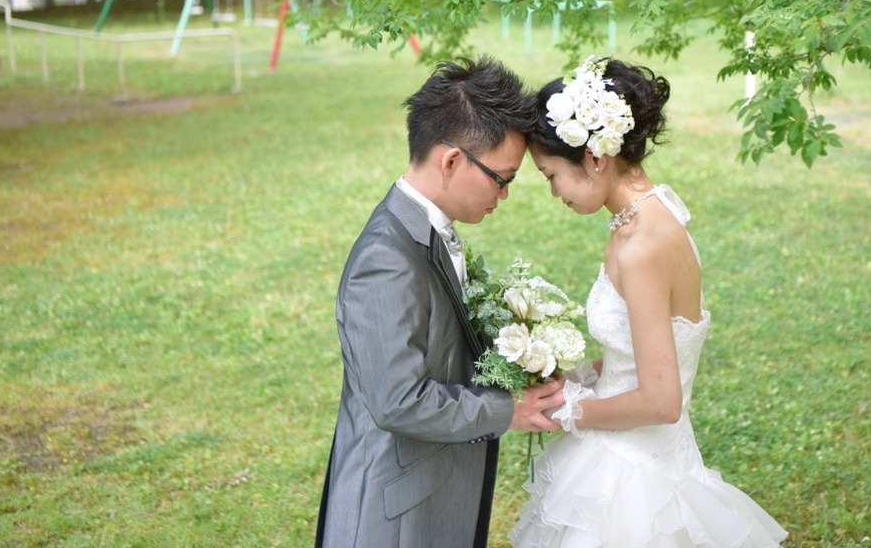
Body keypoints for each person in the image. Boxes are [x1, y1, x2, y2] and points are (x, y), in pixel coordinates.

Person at [511, 56, 788, 547]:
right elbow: (645, 352)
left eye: (550, 174)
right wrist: (578, 375)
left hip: (635, 479)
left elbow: (661, 401)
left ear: (596, 158)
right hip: (636, 454)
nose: (552, 191)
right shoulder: (649, 213)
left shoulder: (643, 245)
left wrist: (569, 411)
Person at [314, 56, 564, 548]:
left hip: (431, 497)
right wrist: (505, 409)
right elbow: (397, 401)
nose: (505, 194)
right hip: (392, 519)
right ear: (451, 160)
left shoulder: (427, 230)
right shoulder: (385, 259)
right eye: (503, 178)